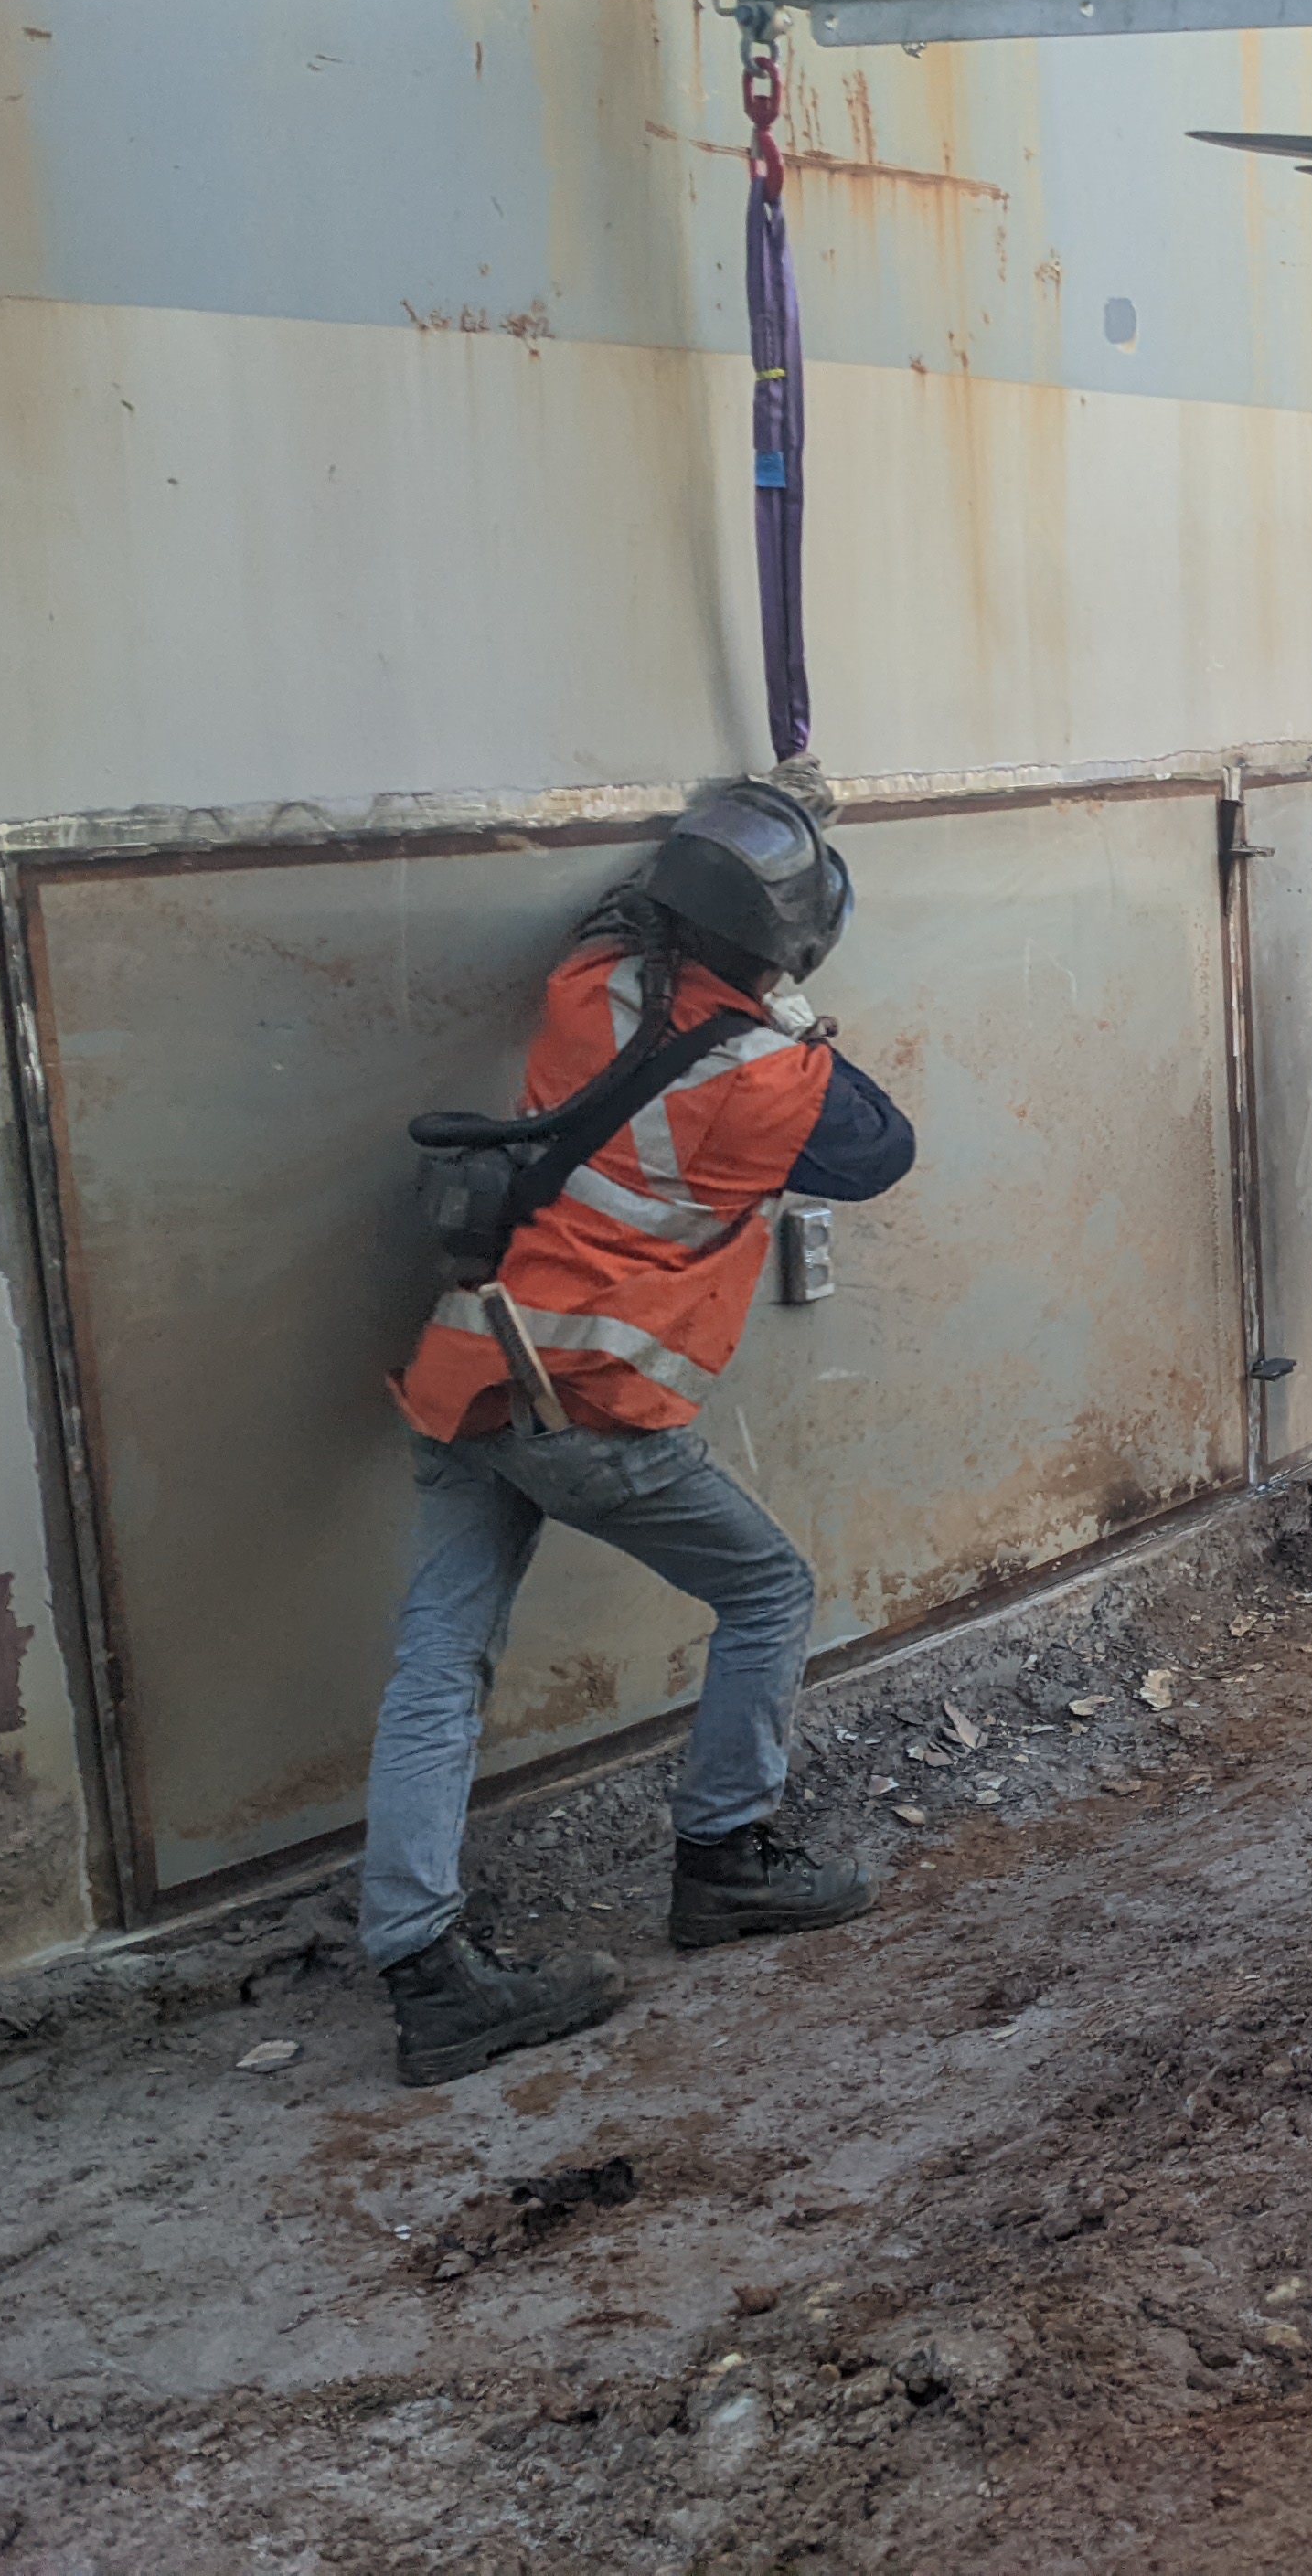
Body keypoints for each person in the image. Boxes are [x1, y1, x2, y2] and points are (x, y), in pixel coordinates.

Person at [362, 768, 918, 2085]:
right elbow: (881, 1148)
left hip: (470, 1366)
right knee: (772, 1591)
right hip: (586, 1407)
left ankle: (421, 1961)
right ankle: (726, 1858)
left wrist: (745, 817)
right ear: (786, 945)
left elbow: (628, 912)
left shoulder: (585, 984)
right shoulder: (772, 1077)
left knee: (442, 1658)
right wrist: (789, 997)